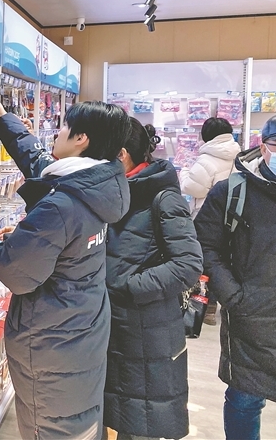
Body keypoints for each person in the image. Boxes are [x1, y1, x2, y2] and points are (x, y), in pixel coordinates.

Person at [0, 95, 131, 440]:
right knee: (78, 420)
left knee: (48, 427)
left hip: (51, 341)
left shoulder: (61, 205)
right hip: (81, 328)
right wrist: (3, 117)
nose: (57, 132)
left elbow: (14, 272)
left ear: (81, 138)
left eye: (64, 126)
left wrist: (13, 239)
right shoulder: (98, 184)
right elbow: (37, 160)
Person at [104, 118, 203, 440]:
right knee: (116, 412)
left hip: (146, 332)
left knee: (140, 421)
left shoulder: (162, 196)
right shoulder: (115, 191)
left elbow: (188, 264)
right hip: (117, 328)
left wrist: (128, 287)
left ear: (121, 154)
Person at [194, 115, 276, 440]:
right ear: (262, 147)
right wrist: (233, 296)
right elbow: (205, 245)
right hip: (249, 318)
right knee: (245, 399)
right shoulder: (232, 191)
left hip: (248, 308)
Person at [179, 116, 239, 326]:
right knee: (226, 259)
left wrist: (184, 172)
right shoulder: (240, 156)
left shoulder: (207, 160)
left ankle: (206, 307)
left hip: (207, 217)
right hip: (234, 217)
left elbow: (192, 187)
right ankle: (222, 303)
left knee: (205, 260)